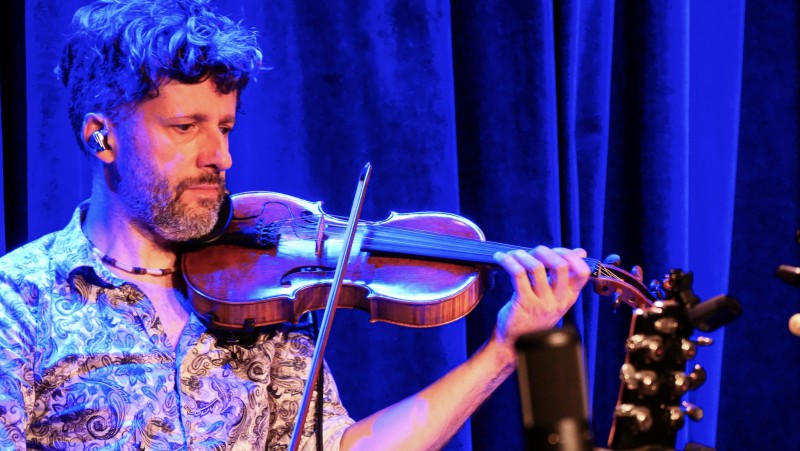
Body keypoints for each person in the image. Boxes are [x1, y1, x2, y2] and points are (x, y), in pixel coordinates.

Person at [0, 0, 591, 449]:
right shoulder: (18, 302)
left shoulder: (259, 297)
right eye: (185, 128)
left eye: (225, 127)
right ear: (101, 137)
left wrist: (503, 350)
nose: (220, 157)